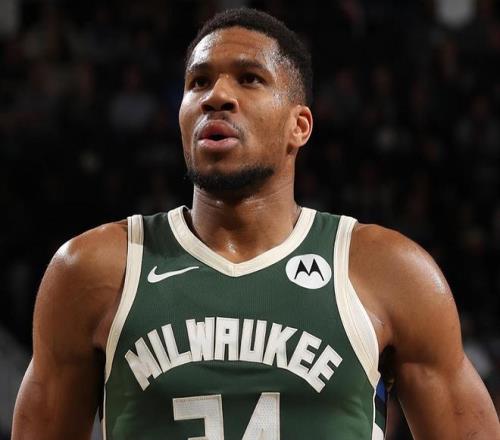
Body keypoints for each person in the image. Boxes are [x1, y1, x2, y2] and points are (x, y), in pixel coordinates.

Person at [12, 8, 500, 440]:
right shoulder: (92, 270)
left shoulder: (390, 271)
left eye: (249, 79)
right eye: (198, 82)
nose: (216, 96)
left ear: (299, 126)